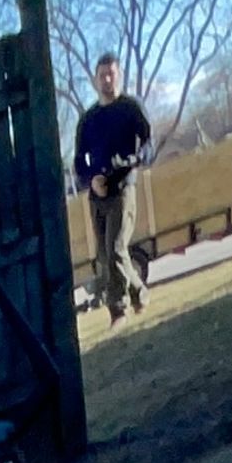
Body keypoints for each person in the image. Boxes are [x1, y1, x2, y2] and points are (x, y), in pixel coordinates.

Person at [74, 56, 153, 325]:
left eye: (112, 74)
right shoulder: (89, 119)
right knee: (105, 255)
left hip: (123, 189)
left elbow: (147, 145)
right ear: (95, 79)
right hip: (97, 195)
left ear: (118, 76)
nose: (107, 80)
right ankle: (140, 292)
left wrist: (130, 164)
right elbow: (78, 161)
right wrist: (90, 180)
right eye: (103, 75)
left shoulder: (131, 108)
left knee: (117, 246)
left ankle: (118, 310)